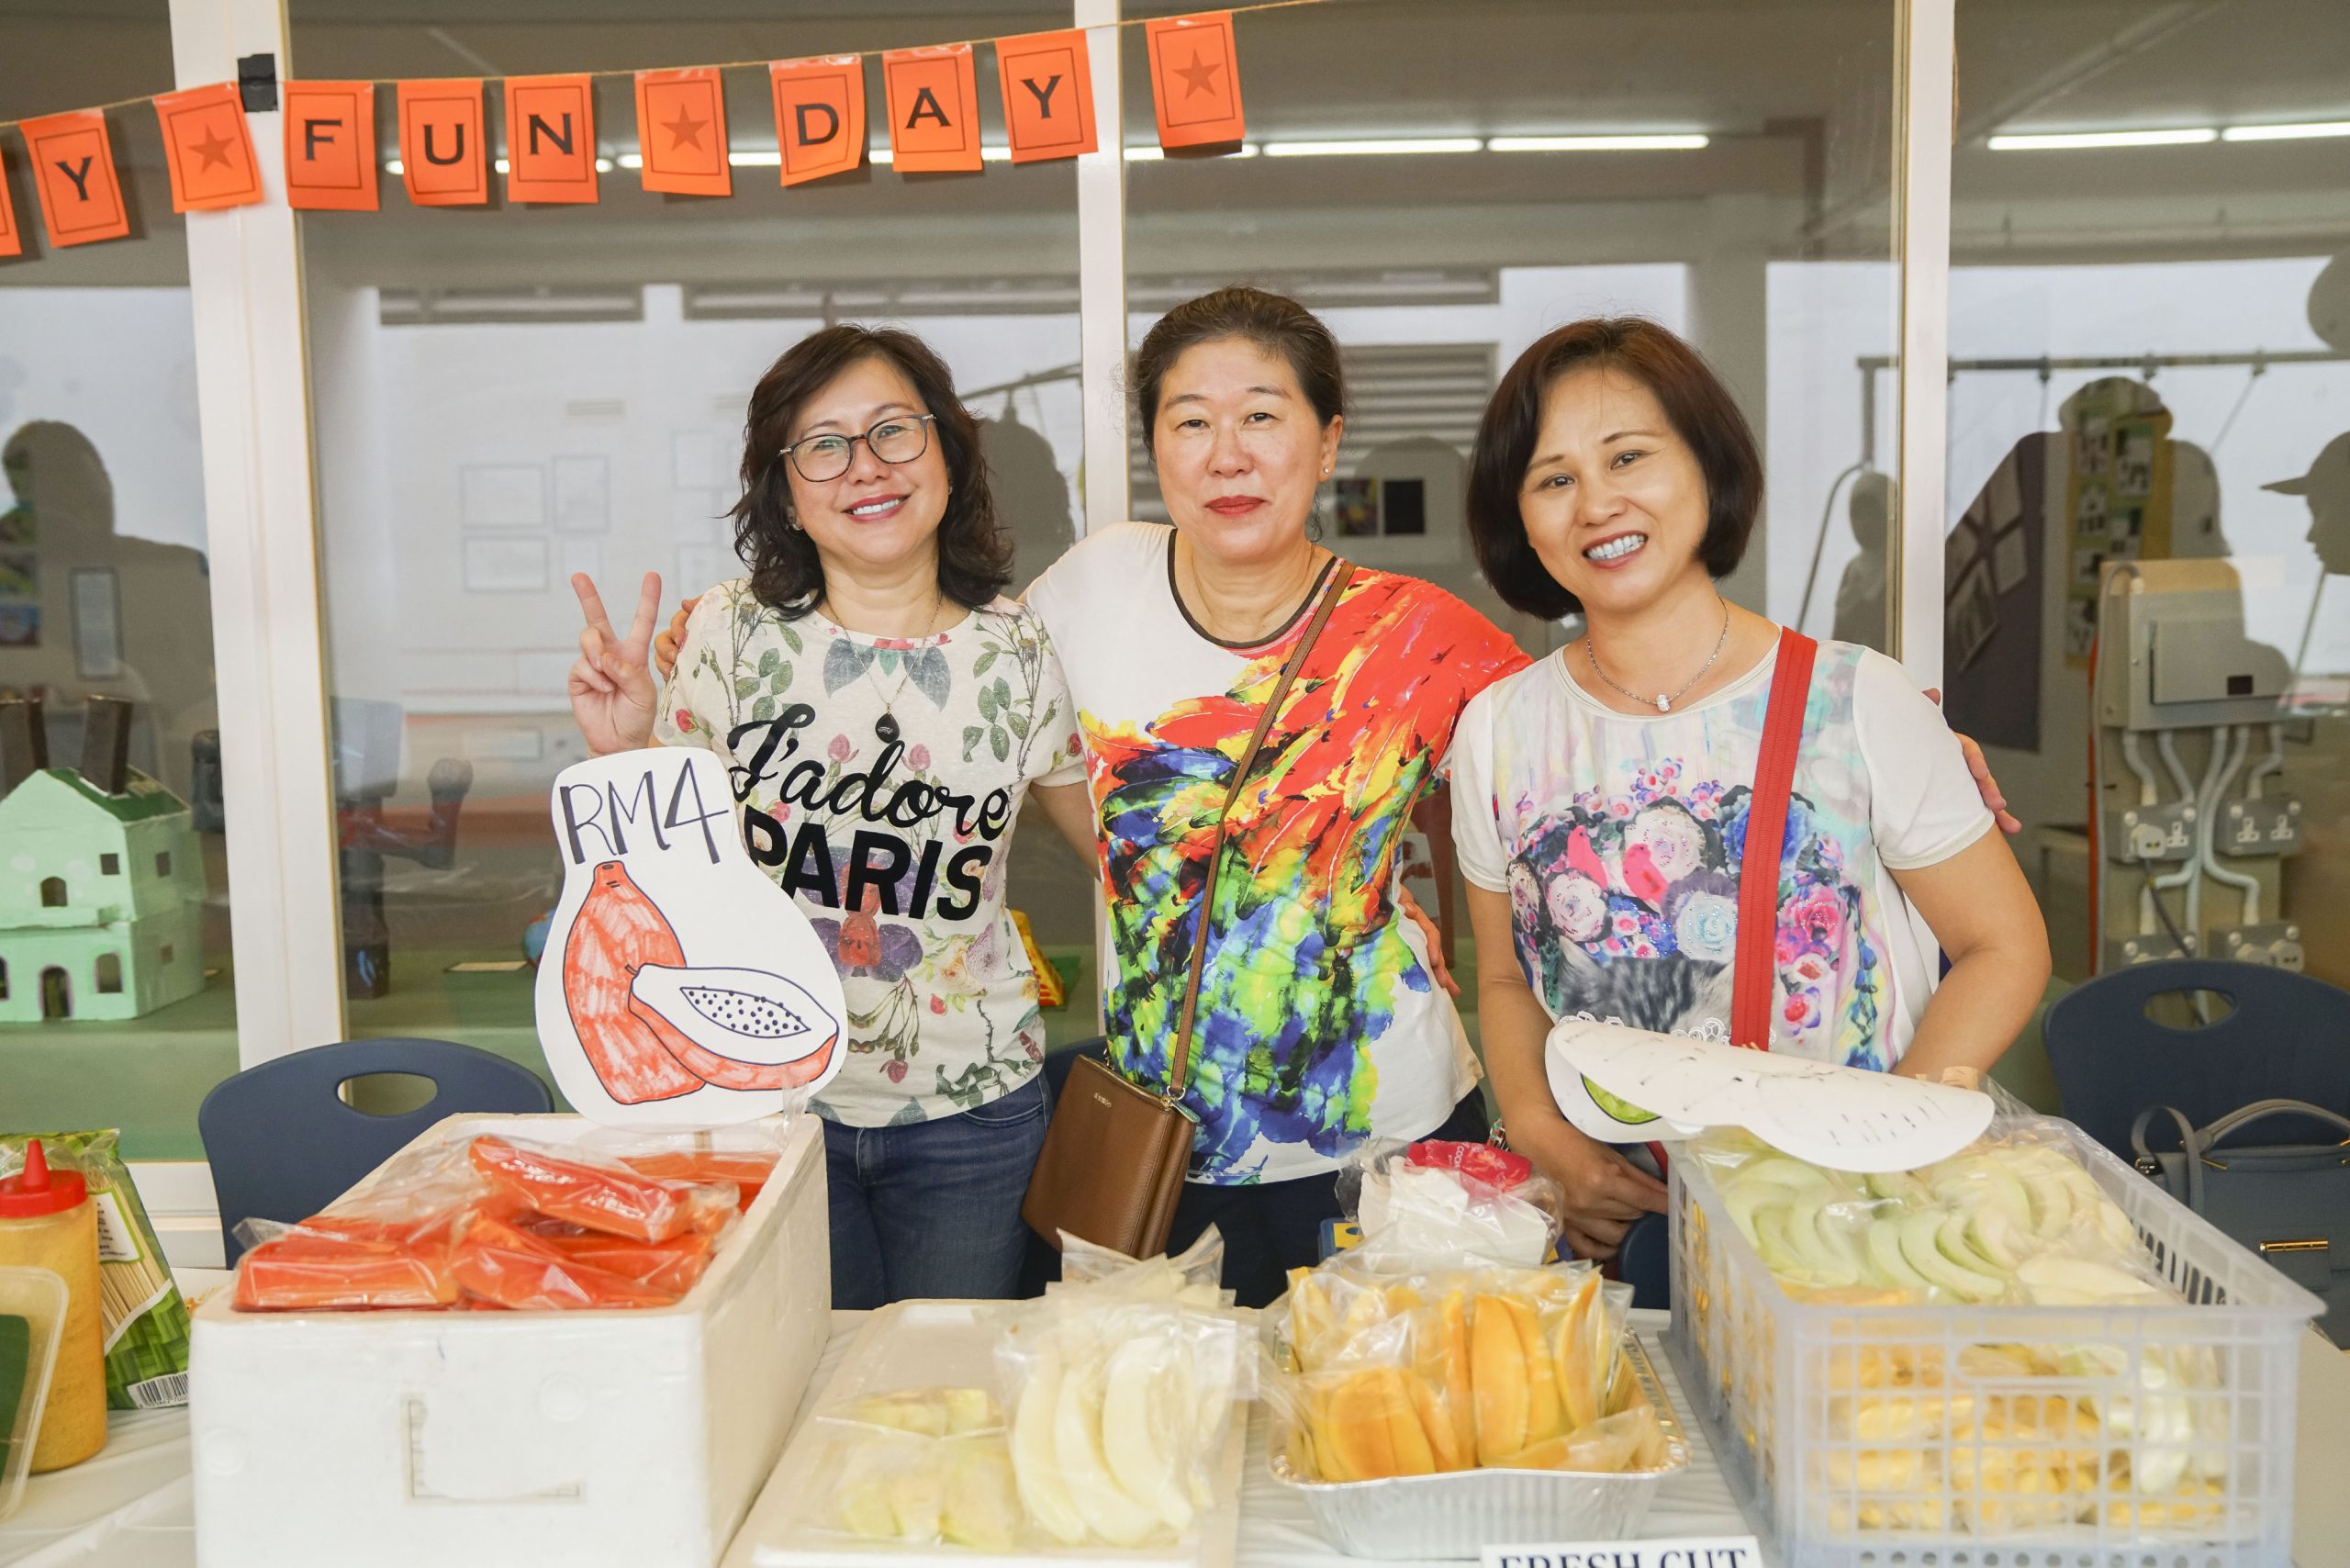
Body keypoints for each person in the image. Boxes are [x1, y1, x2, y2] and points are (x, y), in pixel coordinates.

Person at [1451, 317, 2052, 1262]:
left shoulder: (1857, 700)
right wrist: (1539, 1134)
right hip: (1613, 1226)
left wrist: (1897, 1146)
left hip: (1842, 1234)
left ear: (1705, 465)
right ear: (1519, 519)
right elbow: (1502, 975)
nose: (1596, 503)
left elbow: (2000, 943)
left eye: (1628, 457)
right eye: (1554, 478)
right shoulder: (1499, 730)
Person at [1018, 287, 1531, 1306]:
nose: (1227, 454)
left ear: (1327, 440)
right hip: (1160, 1148)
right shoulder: (1089, 588)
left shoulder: (1421, 636)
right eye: (1190, 421)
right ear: (1155, 448)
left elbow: (1584, 752)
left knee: (1374, 1430)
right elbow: (983, 712)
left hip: (1389, 1139)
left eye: (1261, 415)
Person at [566, 324, 1097, 1309]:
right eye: (825, 444)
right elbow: (658, 878)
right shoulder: (728, 633)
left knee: (944, 1388)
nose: (866, 467)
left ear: (947, 453)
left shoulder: (1020, 650)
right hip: (767, 1101)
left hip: (970, 1113)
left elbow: (1120, 851)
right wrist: (628, 745)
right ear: (788, 492)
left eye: (894, 430)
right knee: (797, 1390)